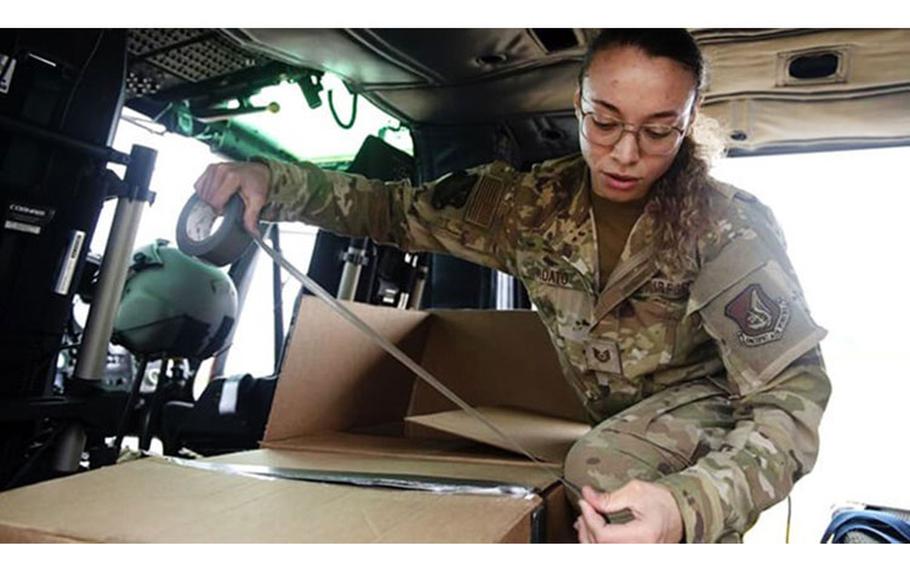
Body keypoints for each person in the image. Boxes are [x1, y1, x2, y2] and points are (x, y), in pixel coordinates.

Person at [194, 29, 831, 543]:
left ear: (688, 124)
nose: (625, 153)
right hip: (613, 418)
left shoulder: (726, 228)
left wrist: (686, 506)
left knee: (603, 466)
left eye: (658, 130)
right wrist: (273, 185)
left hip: (711, 418)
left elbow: (792, 401)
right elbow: (394, 211)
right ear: (578, 103)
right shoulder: (527, 206)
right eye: (604, 121)